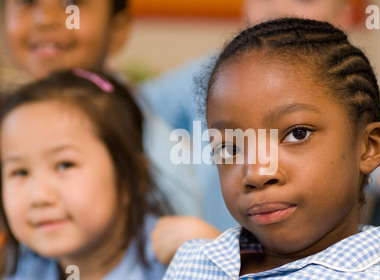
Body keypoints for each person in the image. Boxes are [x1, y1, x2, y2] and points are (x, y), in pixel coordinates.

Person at [156, 17, 380, 280]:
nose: (257, 173)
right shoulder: (192, 263)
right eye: (230, 148)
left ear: (368, 147)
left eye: (297, 134)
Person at [0, 0, 221, 265]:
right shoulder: (13, 122)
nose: (45, 19)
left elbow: (180, 247)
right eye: (27, 2)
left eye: (72, 3)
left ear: (117, 30)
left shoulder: (148, 144)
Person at [0, 69, 172, 280]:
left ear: (131, 178)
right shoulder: (17, 273)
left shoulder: (184, 265)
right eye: (20, 172)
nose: (39, 196)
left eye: (65, 165)